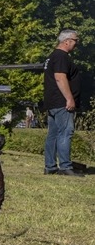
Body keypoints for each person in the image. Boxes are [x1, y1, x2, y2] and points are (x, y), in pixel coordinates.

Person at [42, 29, 83, 177]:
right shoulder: (61, 56)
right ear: (67, 41)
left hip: (53, 102)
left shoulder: (52, 56)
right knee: (66, 132)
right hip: (62, 102)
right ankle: (65, 166)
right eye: (75, 41)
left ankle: (50, 166)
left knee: (53, 134)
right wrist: (69, 98)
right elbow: (60, 77)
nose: (76, 44)